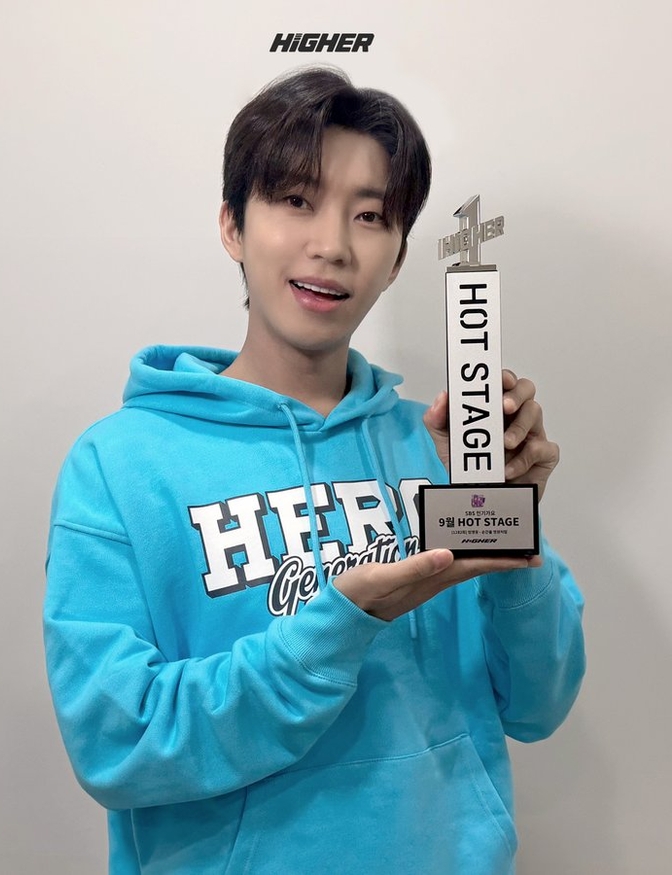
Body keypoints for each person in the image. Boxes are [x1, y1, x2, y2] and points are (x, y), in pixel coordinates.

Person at [44, 67, 585, 875]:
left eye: (370, 215)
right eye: (296, 199)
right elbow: (118, 744)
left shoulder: (438, 450)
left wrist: (514, 530)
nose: (332, 245)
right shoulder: (119, 465)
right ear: (232, 224)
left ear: (397, 257)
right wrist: (338, 624)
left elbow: (538, 705)